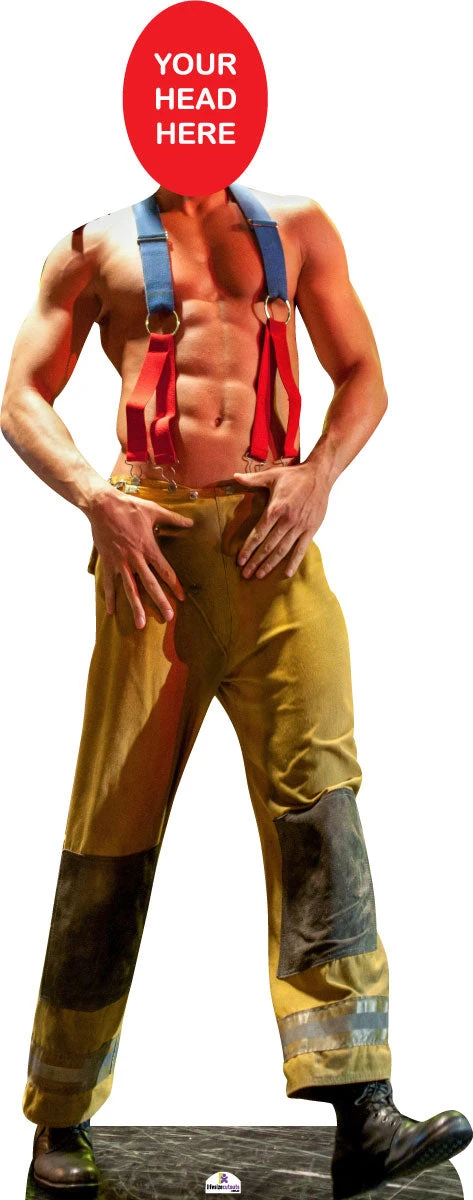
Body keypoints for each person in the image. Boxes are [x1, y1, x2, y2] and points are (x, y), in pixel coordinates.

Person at [1, 184, 471, 1198]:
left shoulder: (297, 229)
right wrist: (94, 497)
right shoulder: (91, 247)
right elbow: (19, 396)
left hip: (274, 549)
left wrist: (318, 475)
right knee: (111, 828)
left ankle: (363, 1109)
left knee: (321, 812)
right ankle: (60, 1111)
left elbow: (362, 375)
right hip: (153, 552)